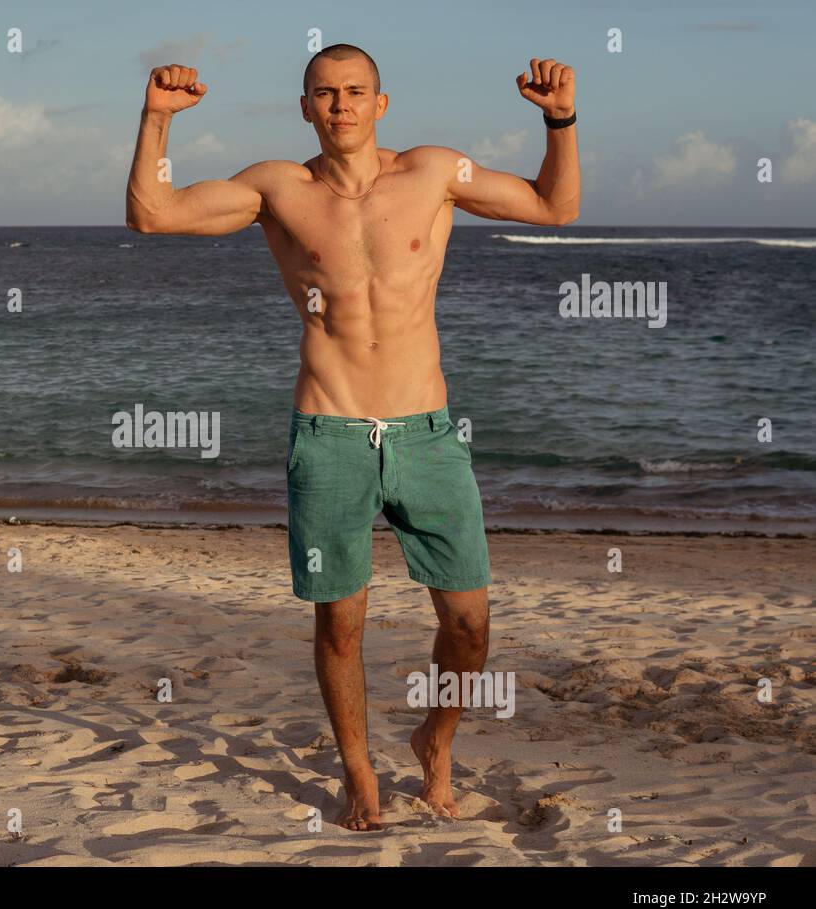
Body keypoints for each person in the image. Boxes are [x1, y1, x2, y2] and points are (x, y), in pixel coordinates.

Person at [124, 45, 580, 829]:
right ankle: (359, 770)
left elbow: (553, 208)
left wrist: (560, 122)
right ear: (306, 107)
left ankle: (436, 738)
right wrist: (156, 120)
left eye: (355, 92)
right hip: (328, 433)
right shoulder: (278, 189)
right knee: (340, 622)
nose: (341, 105)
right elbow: (153, 213)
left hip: (429, 434)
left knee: (469, 624)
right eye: (326, 94)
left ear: (382, 104)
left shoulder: (433, 173)